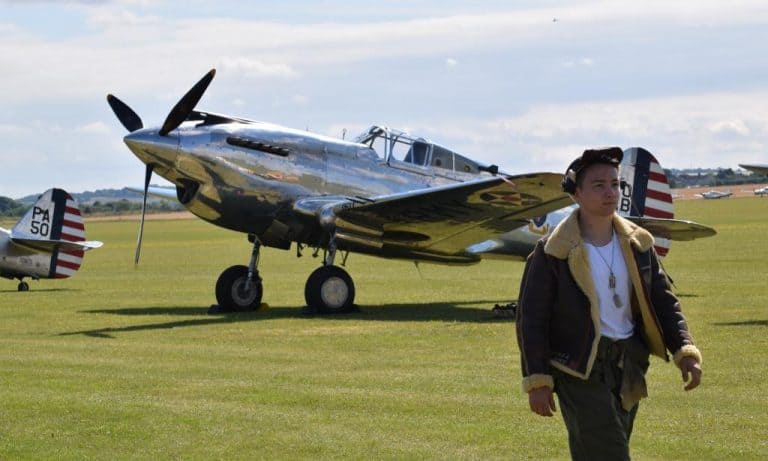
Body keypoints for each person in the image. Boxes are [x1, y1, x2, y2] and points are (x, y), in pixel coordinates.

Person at [515, 147, 702, 460]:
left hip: (630, 364)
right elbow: (531, 320)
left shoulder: (639, 244)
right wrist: (537, 380)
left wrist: (684, 351)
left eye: (615, 184)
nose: (610, 192)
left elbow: (664, 301)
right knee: (609, 453)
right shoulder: (553, 252)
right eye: (598, 186)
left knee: (606, 448)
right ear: (576, 193)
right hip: (578, 369)